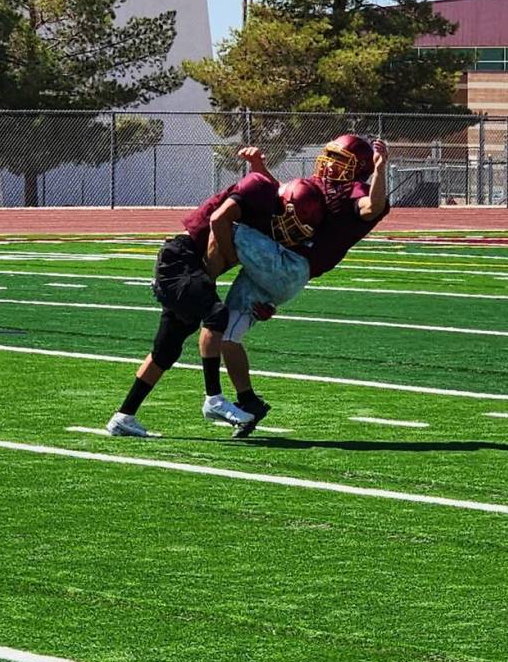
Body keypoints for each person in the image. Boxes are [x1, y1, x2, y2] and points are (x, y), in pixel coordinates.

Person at [105, 167, 325, 438]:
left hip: (190, 270)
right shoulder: (259, 187)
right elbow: (218, 222)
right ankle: (213, 397)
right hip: (180, 260)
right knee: (216, 314)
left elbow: (248, 268)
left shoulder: (267, 220)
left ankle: (123, 417)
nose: (291, 228)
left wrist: (264, 303)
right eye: (293, 219)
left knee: (166, 351)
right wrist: (203, 286)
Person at [219, 134, 391, 437]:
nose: (329, 164)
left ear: (358, 168)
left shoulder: (357, 190)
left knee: (224, 221)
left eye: (340, 160)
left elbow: (371, 208)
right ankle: (249, 401)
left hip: (289, 266)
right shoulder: (321, 185)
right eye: (330, 156)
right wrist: (260, 167)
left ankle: (185, 276)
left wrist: (380, 168)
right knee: (226, 336)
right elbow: (283, 198)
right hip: (280, 266)